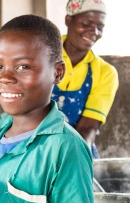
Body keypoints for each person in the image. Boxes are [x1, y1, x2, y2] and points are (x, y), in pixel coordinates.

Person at [0, 14, 95, 203]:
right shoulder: (4, 129)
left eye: (23, 67)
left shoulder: (65, 147)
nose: (5, 77)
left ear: (57, 72)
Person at [51, 0, 119, 159]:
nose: (94, 32)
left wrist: (77, 160)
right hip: (32, 147)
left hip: (78, 148)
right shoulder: (41, 54)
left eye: (100, 28)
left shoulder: (105, 72)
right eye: (87, 23)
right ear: (68, 20)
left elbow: (88, 127)